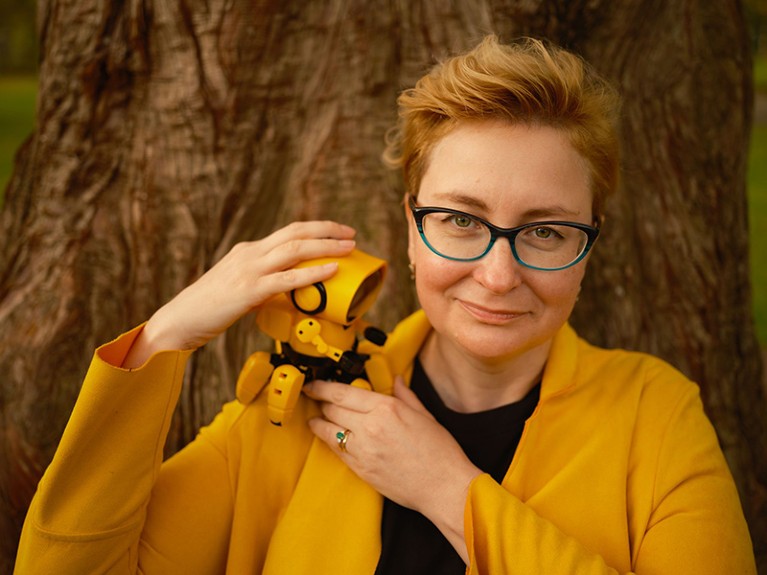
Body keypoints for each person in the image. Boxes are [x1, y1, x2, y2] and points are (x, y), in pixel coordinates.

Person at [14, 35, 756, 574]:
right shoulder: (297, 410)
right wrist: (165, 335)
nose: (498, 275)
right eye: (461, 220)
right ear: (409, 226)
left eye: (546, 230)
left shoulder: (655, 415)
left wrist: (445, 487)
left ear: (589, 243)